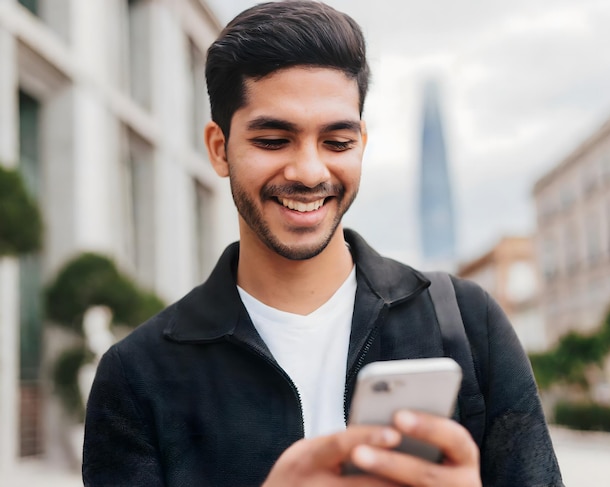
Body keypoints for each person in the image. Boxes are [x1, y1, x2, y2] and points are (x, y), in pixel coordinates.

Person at [82, 2, 564, 486]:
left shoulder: (465, 320)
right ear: (218, 149)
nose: (310, 172)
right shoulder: (137, 375)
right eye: (273, 140)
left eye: (337, 143)